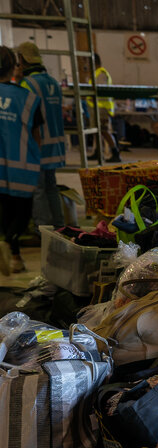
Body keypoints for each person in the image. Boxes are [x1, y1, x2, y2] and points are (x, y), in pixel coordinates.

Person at [0, 46, 43, 274]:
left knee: (4, 211)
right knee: (20, 214)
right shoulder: (28, 99)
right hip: (20, 169)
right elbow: (37, 138)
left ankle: (11, 251)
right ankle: (12, 250)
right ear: (14, 68)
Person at [16, 41, 66, 227]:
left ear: (21, 59)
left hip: (37, 144)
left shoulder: (27, 84)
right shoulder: (53, 82)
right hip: (55, 145)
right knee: (51, 187)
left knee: (38, 189)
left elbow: (25, 117)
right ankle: (60, 225)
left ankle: (42, 229)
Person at [87, 54, 120, 162]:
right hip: (97, 107)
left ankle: (115, 153)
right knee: (98, 131)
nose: (86, 65)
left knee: (104, 131)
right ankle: (98, 152)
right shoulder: (96, 74)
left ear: (93, 62)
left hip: (102, 108)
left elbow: (100, 92)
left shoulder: (101, 74)